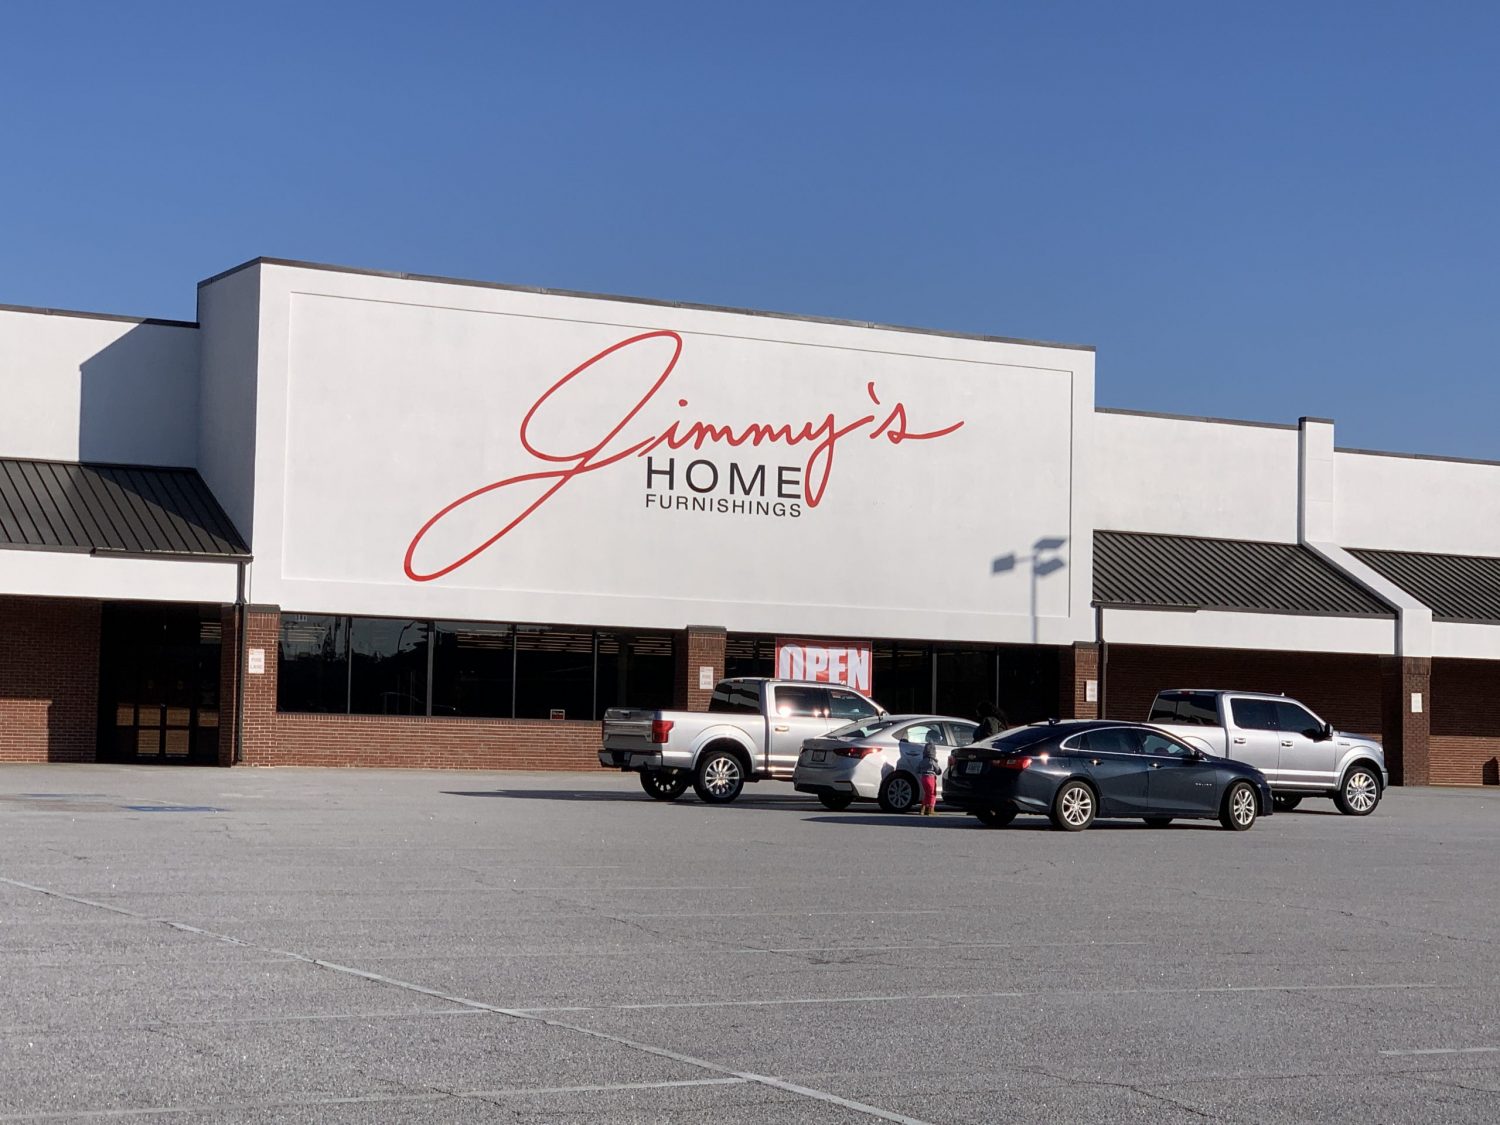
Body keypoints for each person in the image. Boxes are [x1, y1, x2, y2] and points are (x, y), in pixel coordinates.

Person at [918, 734, 943, 815]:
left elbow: (917, 769)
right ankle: (931, 809)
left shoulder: (922, 761)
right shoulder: (932, 761)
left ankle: (923, 808)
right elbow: (938, 770)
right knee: (932, 793)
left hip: (923, 778)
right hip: (931, 778)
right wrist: (939, 771)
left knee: (927, 793)